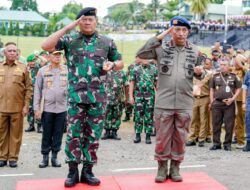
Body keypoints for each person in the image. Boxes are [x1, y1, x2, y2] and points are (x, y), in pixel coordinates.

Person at [41, 7, 123, 187]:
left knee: (93, 135)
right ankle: (72, 172)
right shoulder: (69, 40)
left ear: (96, 21)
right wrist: (67, 28)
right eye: (83, 20)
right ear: (78, 22)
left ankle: (88, 171)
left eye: (90, 19)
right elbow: (46, 46)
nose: (87, 22)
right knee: (73, 134)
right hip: (75, 97)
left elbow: (120, 62)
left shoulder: (107, 42)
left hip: (98, 97)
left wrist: (113, 64)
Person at [136, 16, 203, 183]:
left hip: (184, 101)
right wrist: (161, 35)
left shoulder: (195, 50)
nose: (180, 33)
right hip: (164, 102)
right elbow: (141, 53)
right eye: (176, 29)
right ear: (171, 31)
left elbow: (202, 72)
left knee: (181, 138)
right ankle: (161, 168)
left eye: (184, 30)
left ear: (188, 32)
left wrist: (200, 72)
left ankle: (175, 168)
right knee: (162, 137)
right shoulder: (161, 48)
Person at [0, 42, 32, 167]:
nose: (12, 53)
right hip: (1, 107)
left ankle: (13, 158)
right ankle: (2, 157)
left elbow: (28, 88)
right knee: (1, 133)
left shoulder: (23, 68)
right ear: (4, 53)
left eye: (14, 51)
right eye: (10, 51)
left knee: (16, 134)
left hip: (17, 108)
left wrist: (26, 105)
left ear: (17, 53)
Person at [34, 50, 68, 168]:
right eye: (55, 55)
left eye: (59, 55)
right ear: (49, 56)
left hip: (62, 108)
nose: (58, 57)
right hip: (47, 108)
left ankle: (54, 157)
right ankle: (44, 157)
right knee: (46, 133)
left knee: (58, 133)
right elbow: (37, 90)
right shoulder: (42, 71)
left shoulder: (66, 70)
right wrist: (36, 108)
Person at [209, 58, 241, 151]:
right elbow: (211, 89)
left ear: (228, 66)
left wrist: (233, 99)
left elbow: (239, 88)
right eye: (221, 65)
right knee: (216, 124)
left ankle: (227, 144)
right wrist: (211, 102)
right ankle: (216, 143)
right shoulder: (215, 76)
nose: (222, 67)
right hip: (217, 103)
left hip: (229, 104)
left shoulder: (234, 76)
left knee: (229, 124)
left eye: (224, 65)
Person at [129, 57, 158, 144]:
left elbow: (157, 84)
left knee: (149, 115)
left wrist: (158, 96)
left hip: (150, 96)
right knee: (138, 115)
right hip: (138, 95)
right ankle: (137, 136)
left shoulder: (154, 69)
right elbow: (131, 83)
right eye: (143, 58)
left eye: (147, 58)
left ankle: (148, 136)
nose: (145, 60)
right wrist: (130, 96)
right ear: (140, 59)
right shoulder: (135, 69)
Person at [186, 57, 213, 147]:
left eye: (199, 66)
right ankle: (192, 138)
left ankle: (202, 139)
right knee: (193, 119)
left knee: (203, 119)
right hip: (194, 98)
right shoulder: (190, 74)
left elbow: (211, 88)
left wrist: (210, 101)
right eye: (195, 66)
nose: (197, 68)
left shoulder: (208, 74)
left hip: (204, 97)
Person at [101, 69, 129, 140]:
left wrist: (126, 98)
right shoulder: (105, 72)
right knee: (106, 114)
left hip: (118, 98)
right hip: (107, 98)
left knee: (117, 115)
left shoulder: (123, 73)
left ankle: (114, 132)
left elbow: (126, 86)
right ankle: (107, 132)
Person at [25, 54, 42, 133]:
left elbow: (45, 61)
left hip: (38, 92)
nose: (32, 63)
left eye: (33, 61)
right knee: (30, 109)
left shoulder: (38, 67)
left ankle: (39, 126)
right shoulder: (26, 69)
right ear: (27, 62)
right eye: (30, 61)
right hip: (29, 92)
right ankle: (31, 125)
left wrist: (38, 56)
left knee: (38, 109)